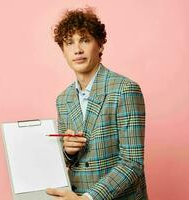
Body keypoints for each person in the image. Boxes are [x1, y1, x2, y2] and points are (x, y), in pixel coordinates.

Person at [46, 7, 147, 200]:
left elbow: (132, 163)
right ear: (63, 51)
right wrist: (68, 151)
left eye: (85, 40)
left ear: (100, 45)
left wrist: (88, 198)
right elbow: (70, 161)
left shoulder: (125, 89)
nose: (77, 50)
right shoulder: (63, 99)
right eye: (69, 43)